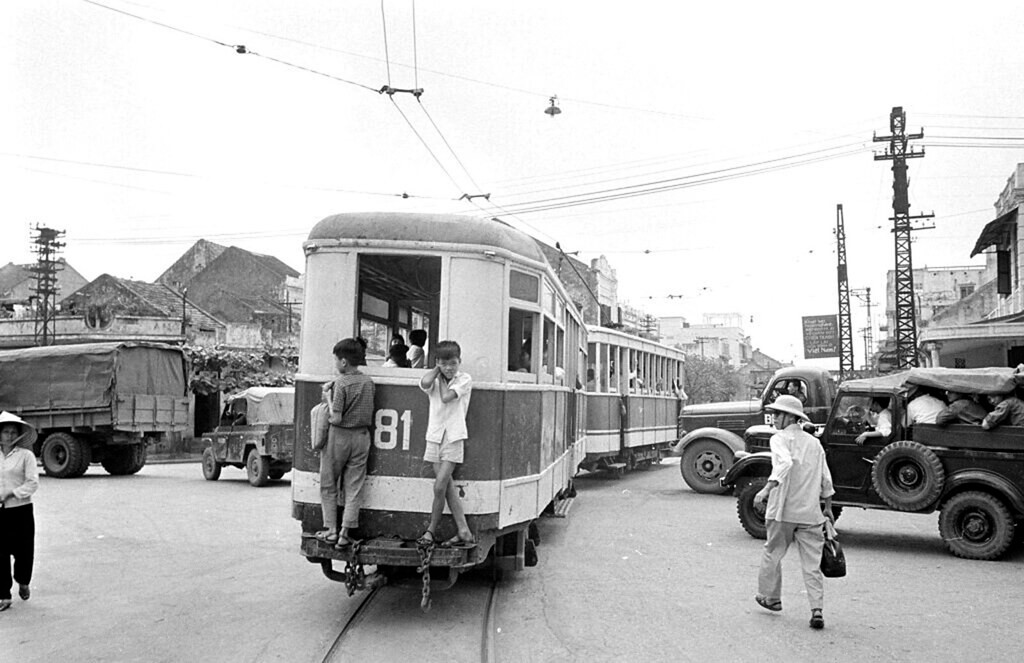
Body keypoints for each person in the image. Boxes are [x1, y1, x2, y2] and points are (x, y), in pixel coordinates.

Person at [753, 395, 835, 630]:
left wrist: (766, 489)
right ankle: (816, 609)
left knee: (773, 553)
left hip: (782, 512)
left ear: (790, 417)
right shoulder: (814, 443)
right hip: (810, 513)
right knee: (812, 564)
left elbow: (785, 464)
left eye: (777, 414)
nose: (774, 419)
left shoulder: (779, 439)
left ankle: (771, 598)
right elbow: (825, 478)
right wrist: (827, 507)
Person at [315, 338, 375, 549]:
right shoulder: (368, 382)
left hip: (339, 437)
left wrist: (327, 397)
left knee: (329, 483)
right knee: (354, 486)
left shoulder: (340, 384)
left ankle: (331, 530)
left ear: (343, 362)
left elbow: (337, 417)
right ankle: (345, 533)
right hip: (362, 437)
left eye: (335, 360)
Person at [417, 340, 475, 547]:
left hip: (453, 437)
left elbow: (446, 397)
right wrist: (437, 369)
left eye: (453, 363)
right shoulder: (435, 377)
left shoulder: (464, 379)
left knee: (440, 485)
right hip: (434, 436)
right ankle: (464, 530)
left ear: (460, 361)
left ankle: (430, 531)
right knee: (447, 486)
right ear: (437, 363)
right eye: (444, 363)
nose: (449, 368)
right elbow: (424, 383)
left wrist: (442, 377)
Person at [0, 411, 39, 613]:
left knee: (24, 552)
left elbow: (32, 482)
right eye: (5, 431)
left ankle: (23, 581)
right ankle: (4, 595)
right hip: (0, 511)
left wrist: (11, 493)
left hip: (21, 510)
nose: (8, 435)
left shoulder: (26, 456)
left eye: (12, 432)